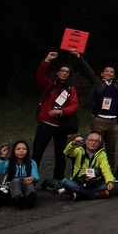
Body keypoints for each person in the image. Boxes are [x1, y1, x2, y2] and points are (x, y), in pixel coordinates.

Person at [33, 51, 81, 184]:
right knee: (37, 152)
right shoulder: (49, 84)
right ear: (57, 72)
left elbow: (74, 105)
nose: (65, 73)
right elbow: (40, 76)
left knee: (60, 154)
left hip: (61, 125)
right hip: (46, 123)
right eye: (62, 71)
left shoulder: (71, 90)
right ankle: (30, 178)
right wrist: (47, 60)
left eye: (67, 72)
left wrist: (61, 112)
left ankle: (58, 179)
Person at [60, 133, 117, 201]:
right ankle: (96, 195)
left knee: (106, 185)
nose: (93, 143)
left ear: (99, 144)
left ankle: (79, 195)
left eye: (96, 141)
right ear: (86, 141)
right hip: (79, 182)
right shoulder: (79, 150)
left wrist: (109, 181)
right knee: (66, 183)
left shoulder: (102, 154)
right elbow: (67, 152)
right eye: (91, 140)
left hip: (94, 182)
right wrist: (73, 144)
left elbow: (106, 169)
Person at [0, 141, 40, 209]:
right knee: (16, 181)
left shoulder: (31, 162)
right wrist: (3, 157)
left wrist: (32, 178)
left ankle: (31, 198)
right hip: (13, 185)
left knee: (29, 183)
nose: (21, 151)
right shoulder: (9, 162)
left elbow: (36, 176)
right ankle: (18, 199)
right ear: (14, 151)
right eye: (18, 149)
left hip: (25, 183)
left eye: (24, 149)